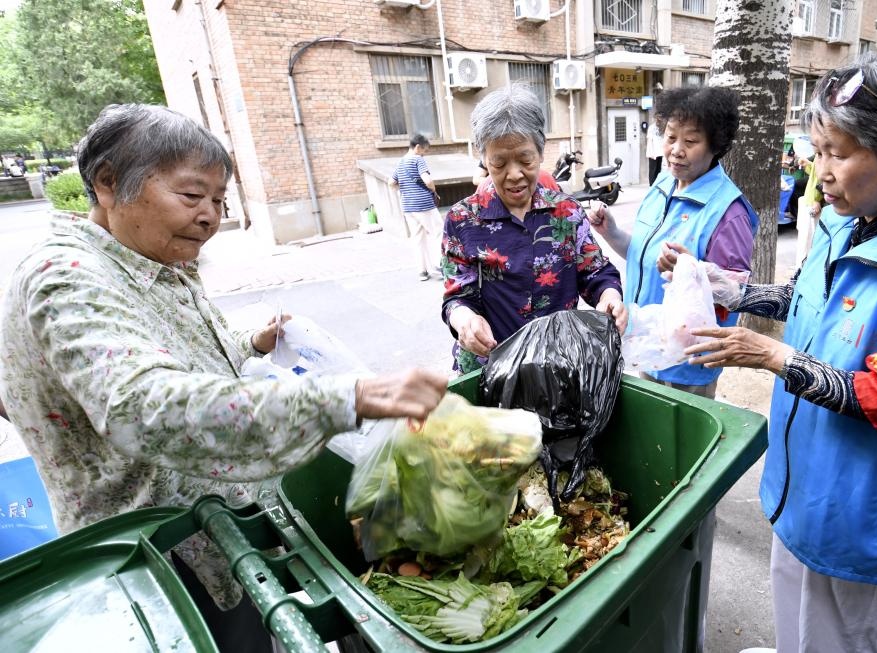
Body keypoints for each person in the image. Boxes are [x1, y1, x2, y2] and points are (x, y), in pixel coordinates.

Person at [0, 104, 448, 652]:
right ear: (109, 183)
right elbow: (142, 405)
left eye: (219, 201)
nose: (209, 217)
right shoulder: (67, 277)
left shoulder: (152, 259)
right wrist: (349, 397)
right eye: (192, 195)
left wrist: (250, 343)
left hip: (219, 535)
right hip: (161, 563)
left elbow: (182, 355)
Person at [683, 50, 877, 653]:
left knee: (838, 640)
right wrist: (727, 288)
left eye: (837, 154)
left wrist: (774, 358)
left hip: (865, 514)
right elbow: (806, 298)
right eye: (817, 151)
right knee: (796, 625)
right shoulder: (846, 221)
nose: (820, 173)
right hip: (801, 487)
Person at [442, 84, 627, 374]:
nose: (514, 174)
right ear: (485, 160)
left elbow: (595, 272)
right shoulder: (462, 219)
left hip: (558, 365)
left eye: (525, 160)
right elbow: (457, 296)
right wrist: (464, 319)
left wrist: (609, 298)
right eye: (499, 163)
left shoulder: (567, 212)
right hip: (491, 366)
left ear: (540, 153)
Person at [589, 85, 759, 399]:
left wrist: (689, 270)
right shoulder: (664, 183)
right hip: (647, 346)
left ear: (716, 146)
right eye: (670, 137)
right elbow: (642, 255)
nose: (676, 150)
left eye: (691, 142)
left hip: (686, 364)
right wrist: (610, 232)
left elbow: (734, 296)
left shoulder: (728, 213)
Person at [389, 133, 443, 281]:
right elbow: (427, 180)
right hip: (424, 204)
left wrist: (406, 190)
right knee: (439, 232)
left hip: (408, 206)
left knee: (418, 238)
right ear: (418, 147)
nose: (424, 154)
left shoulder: (401, 162)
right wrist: (433, 189)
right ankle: (438, 266)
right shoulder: (418, 159)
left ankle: (422, 271)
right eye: (424, 151)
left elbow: (391, 182)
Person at [473, 158, 560, 191]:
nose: (514, 176)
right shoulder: (485, 186)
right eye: (499, 164)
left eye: (526, 161)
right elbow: (476, 179)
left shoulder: (545, 178)